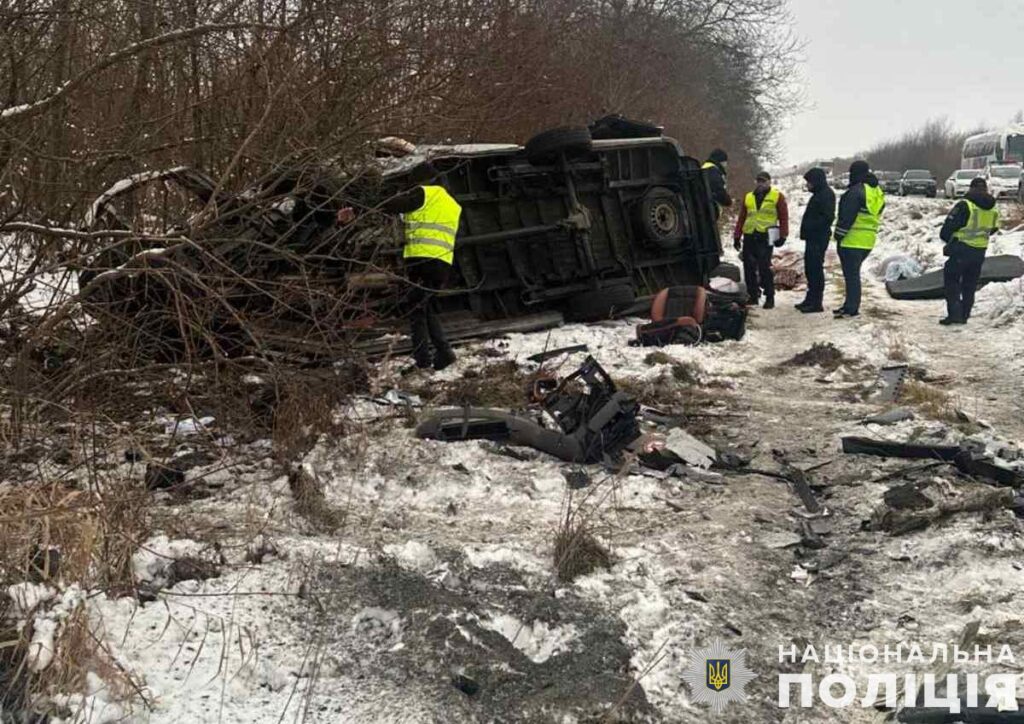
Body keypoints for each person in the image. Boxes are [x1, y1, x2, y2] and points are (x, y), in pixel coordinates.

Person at [338, 182, 463, 370]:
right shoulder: (451, 204)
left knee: (416, 310)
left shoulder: (427, 193)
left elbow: (393, 204)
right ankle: (444, 352)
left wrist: (357, 208)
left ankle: (423, 361)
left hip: (423, 261)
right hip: (442, 262)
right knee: (424, 307)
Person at [937, 177, 999, 325]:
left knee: (952, 281)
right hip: (980, 251)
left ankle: (955, 314)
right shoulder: (993, 207)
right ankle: (965, 314)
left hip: (961, 249)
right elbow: (994, 228)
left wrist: (950, 241)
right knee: (970, 284)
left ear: (971, 188)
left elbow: (947, 229)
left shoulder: (965, 205)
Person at [833, 160, 885, 319]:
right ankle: (849, 305)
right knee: (853, 275)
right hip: (867, 240)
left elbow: (846, 217)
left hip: (851, 240)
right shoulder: (875, 191)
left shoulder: (855, 192)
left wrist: (838, 235)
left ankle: (851, 308)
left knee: (851, 276)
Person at [732, 171, 789, 309]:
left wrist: (783, 235)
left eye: (763, 181)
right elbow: (742, 218)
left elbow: (783, 217)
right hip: (750, 235)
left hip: (766, 236)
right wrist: (737, 236)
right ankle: (753, 296)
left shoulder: (777, 196)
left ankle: (770, 297)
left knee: (764, 267)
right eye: (758, 181)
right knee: (749, 268)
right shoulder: (748, 197)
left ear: (769, 182)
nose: (760, 183)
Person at [795, 167, 836, 313]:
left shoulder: (826, 195)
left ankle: (816, 302)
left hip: (819, 237)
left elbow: (827, 217)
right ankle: (810, 298)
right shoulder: (819, 194)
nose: (807, 185)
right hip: (813, 237)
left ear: (816, 181)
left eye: (809, 182)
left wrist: (811, 227)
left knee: (815, 269)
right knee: (810, 268)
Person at [702, 148, 733, 220]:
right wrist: (727, 200)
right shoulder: (713, 170)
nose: (726, 165)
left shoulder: (704, 167)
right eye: (725, 162)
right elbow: (717, 189)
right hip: (710, 209)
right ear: (721, 161)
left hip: (703, 208)